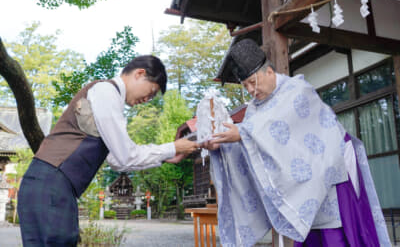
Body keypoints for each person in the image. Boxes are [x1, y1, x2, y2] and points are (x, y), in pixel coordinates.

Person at [202, 39, 391, 246]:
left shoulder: (298, 90)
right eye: (245, 85)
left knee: (337, 235)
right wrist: (223, 144)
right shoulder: (255, 111)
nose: (250, 90)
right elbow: (250, 142)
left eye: (253, 82)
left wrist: (244, 134)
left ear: (270, 72)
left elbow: (270, 127)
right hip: (302, 188)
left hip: (331, 173)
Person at [17, 55, 199, 246]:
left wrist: (166, 156)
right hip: (52, 183)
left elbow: (116, 160)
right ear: (140, 73)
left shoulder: (108, 97)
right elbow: (126, 155)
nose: (147, 99)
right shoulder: (106, 91)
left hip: (48, 184)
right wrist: (172, 147)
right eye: (151, 92)